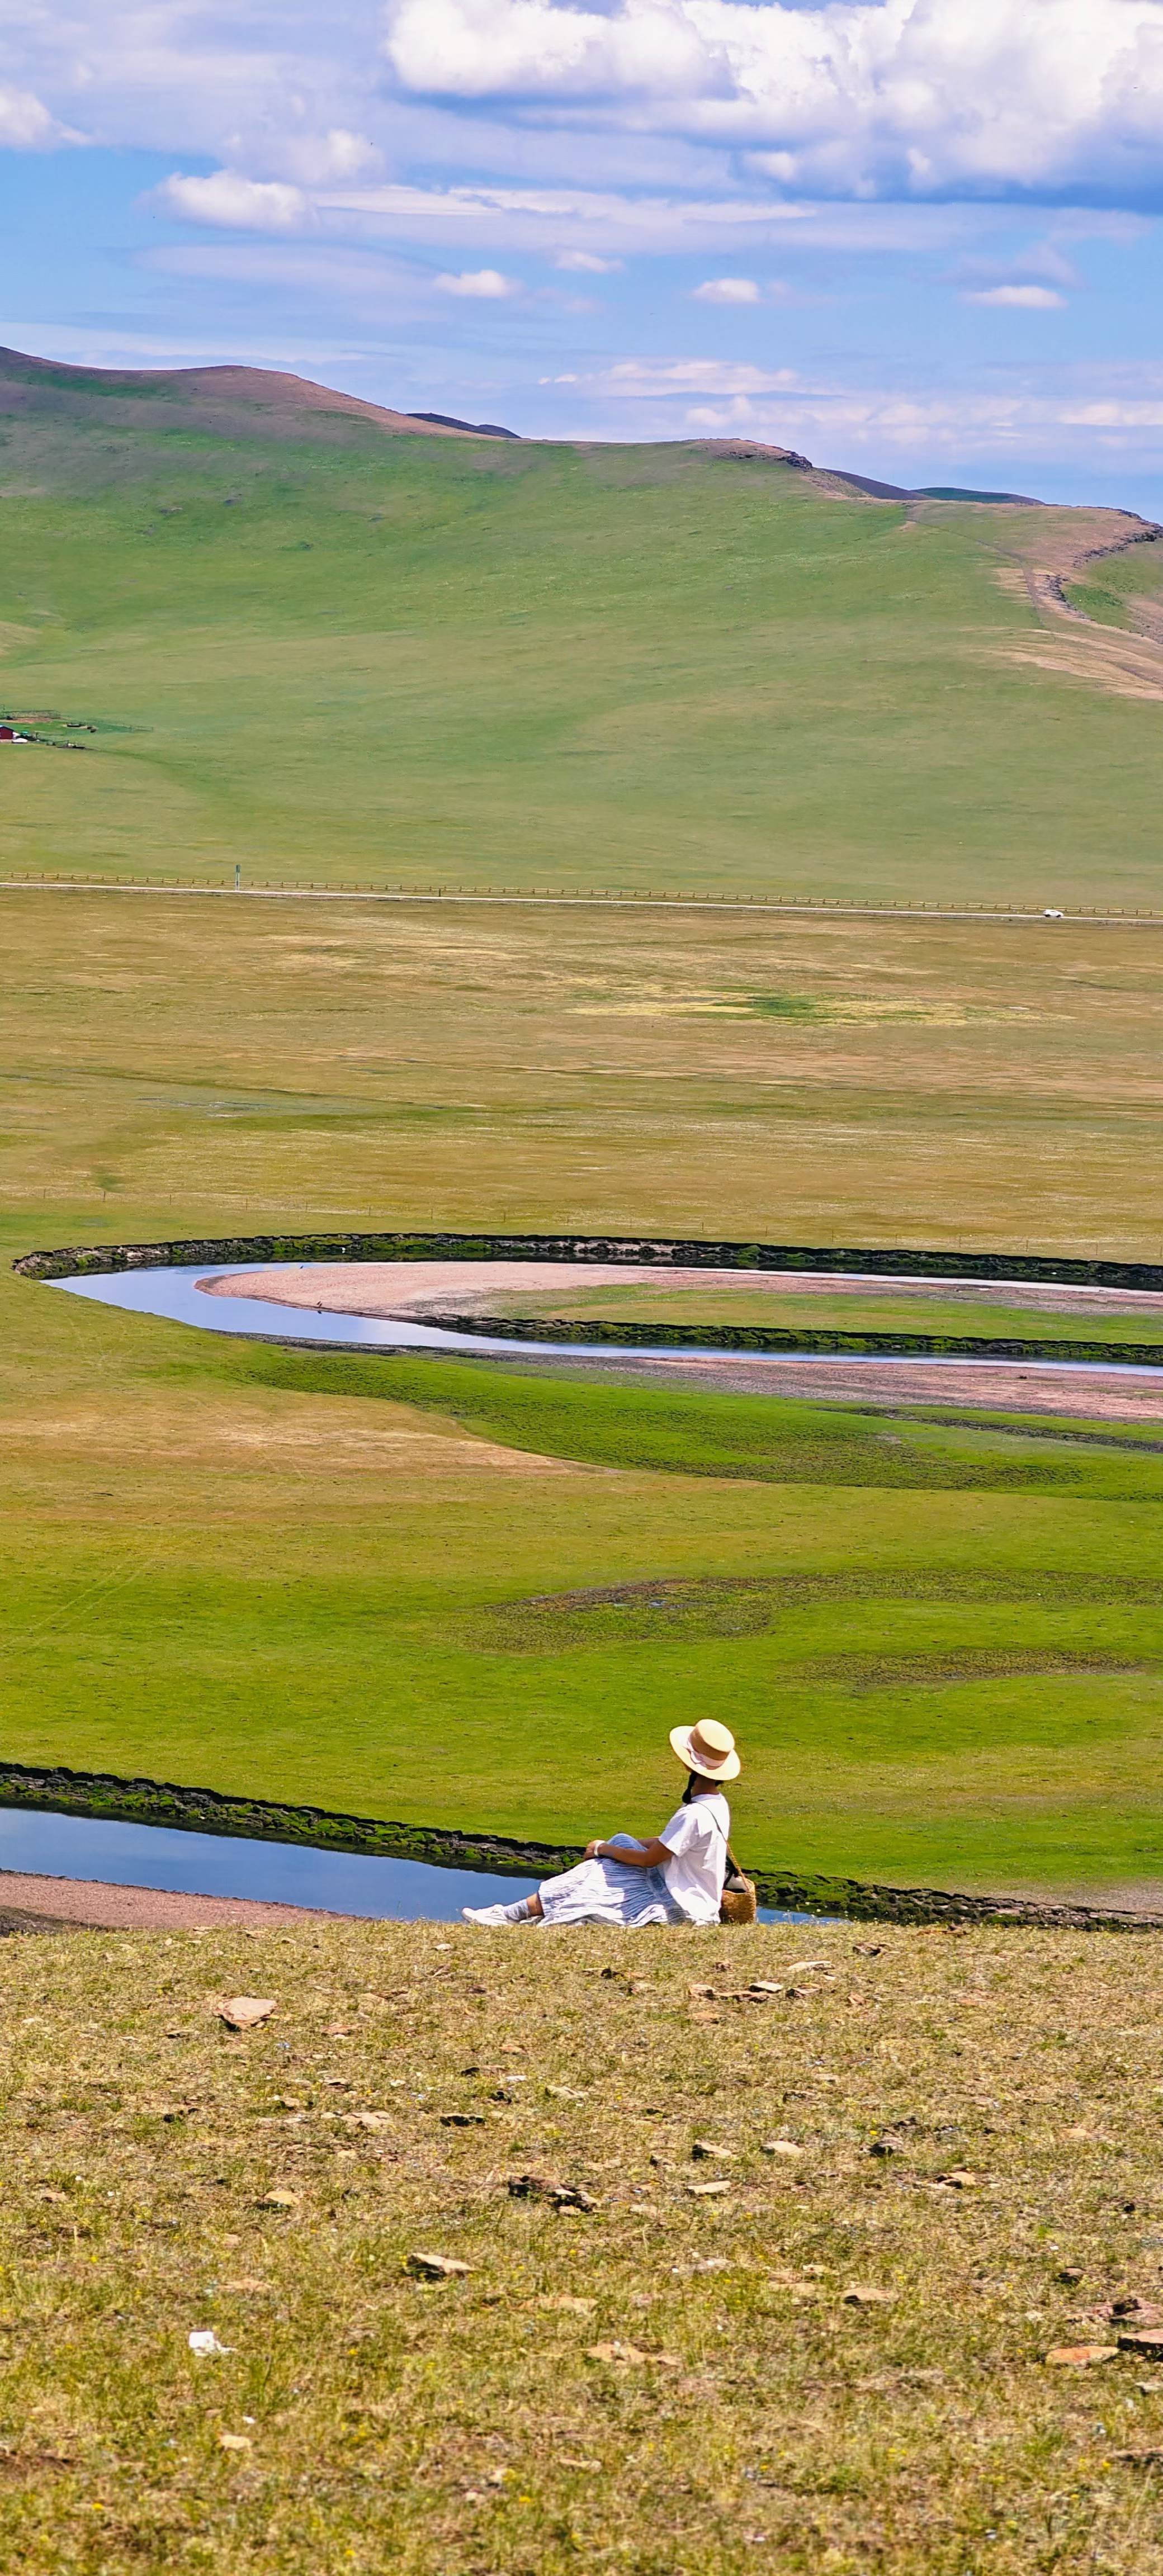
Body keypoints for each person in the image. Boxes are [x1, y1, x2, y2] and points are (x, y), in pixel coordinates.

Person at [462, 1719, 740, 1929]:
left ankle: (512, 1914)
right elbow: (672, 1843)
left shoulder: (693, 1813)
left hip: (681, 1905)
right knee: (618, 1846)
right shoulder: (716, 1804)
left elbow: (650, 1860)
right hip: (692, 1897)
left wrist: (602, 1849)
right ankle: (516, 1913)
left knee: (598, 1873)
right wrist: (615, 1846)